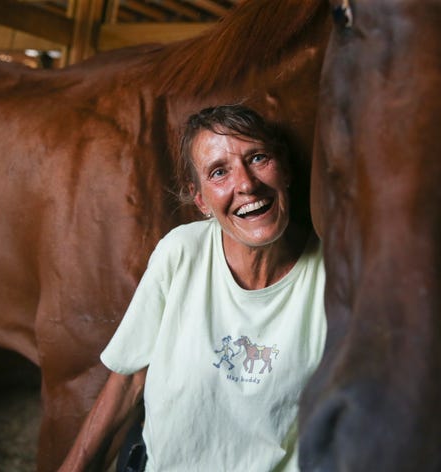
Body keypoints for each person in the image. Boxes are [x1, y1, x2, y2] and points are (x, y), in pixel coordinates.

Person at [58, 104, 326, 472]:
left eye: (258, 158)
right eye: (219, 172)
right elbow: (130, 380)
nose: (246, 184)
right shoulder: (180, 252)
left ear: (286, 169)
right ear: (200, 199)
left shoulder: (331, 274)